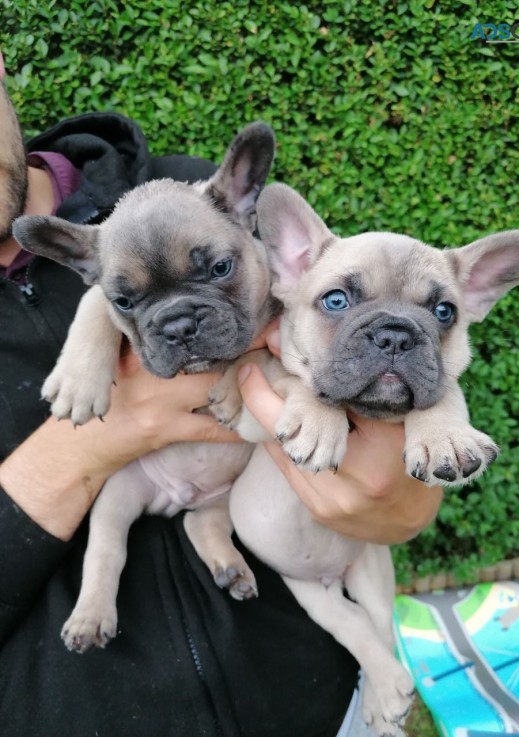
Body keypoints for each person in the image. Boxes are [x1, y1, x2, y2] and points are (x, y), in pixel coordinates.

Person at [0, 51, 442, 737]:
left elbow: (333, 332)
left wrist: (401, 490)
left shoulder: (181, 188)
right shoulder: (105, 267)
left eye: (214, 270)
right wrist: (104, 429)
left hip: (311, 698)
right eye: (126, 299)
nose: (179, 321)